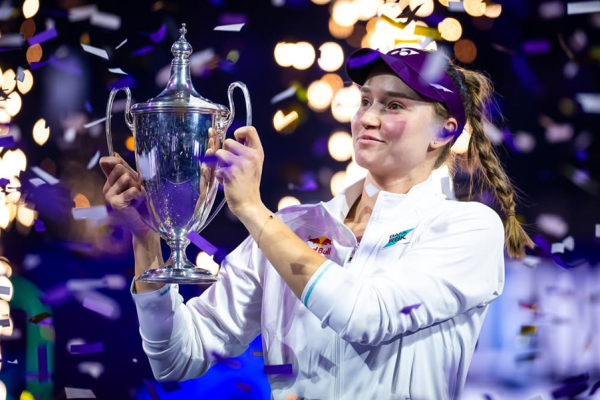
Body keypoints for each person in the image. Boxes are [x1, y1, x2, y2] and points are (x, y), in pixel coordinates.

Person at [100, 47, 534, 399]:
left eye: (394, 105)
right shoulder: (292, 227)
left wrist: (252, 209)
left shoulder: (467, 228)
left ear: (444, 132)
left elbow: (365, 315)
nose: (368, 117)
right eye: (365, 100)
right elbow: (177, 358)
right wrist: (146, 238)